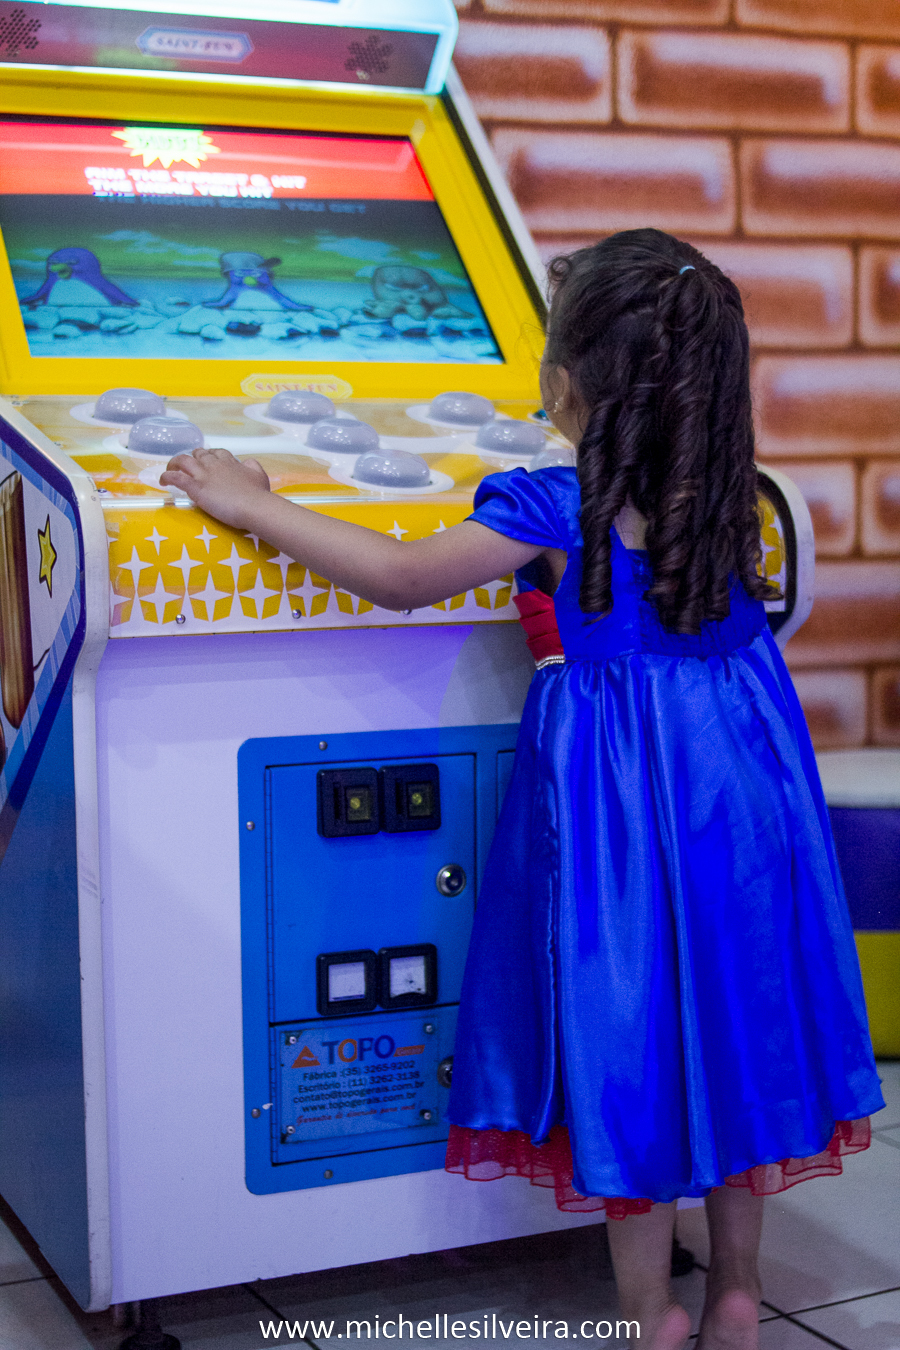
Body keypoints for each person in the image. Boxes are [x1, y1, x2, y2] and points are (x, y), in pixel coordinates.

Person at [161, 228, 884, 1350]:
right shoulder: (723, 497)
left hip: (625, 812)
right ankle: (740, 1288)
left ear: (562, 384)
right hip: (744, 796)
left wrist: (252, 503)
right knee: (741, 1018)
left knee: (631, 1029)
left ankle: (649, 1311)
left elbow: (404, 576)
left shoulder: (556, 504)